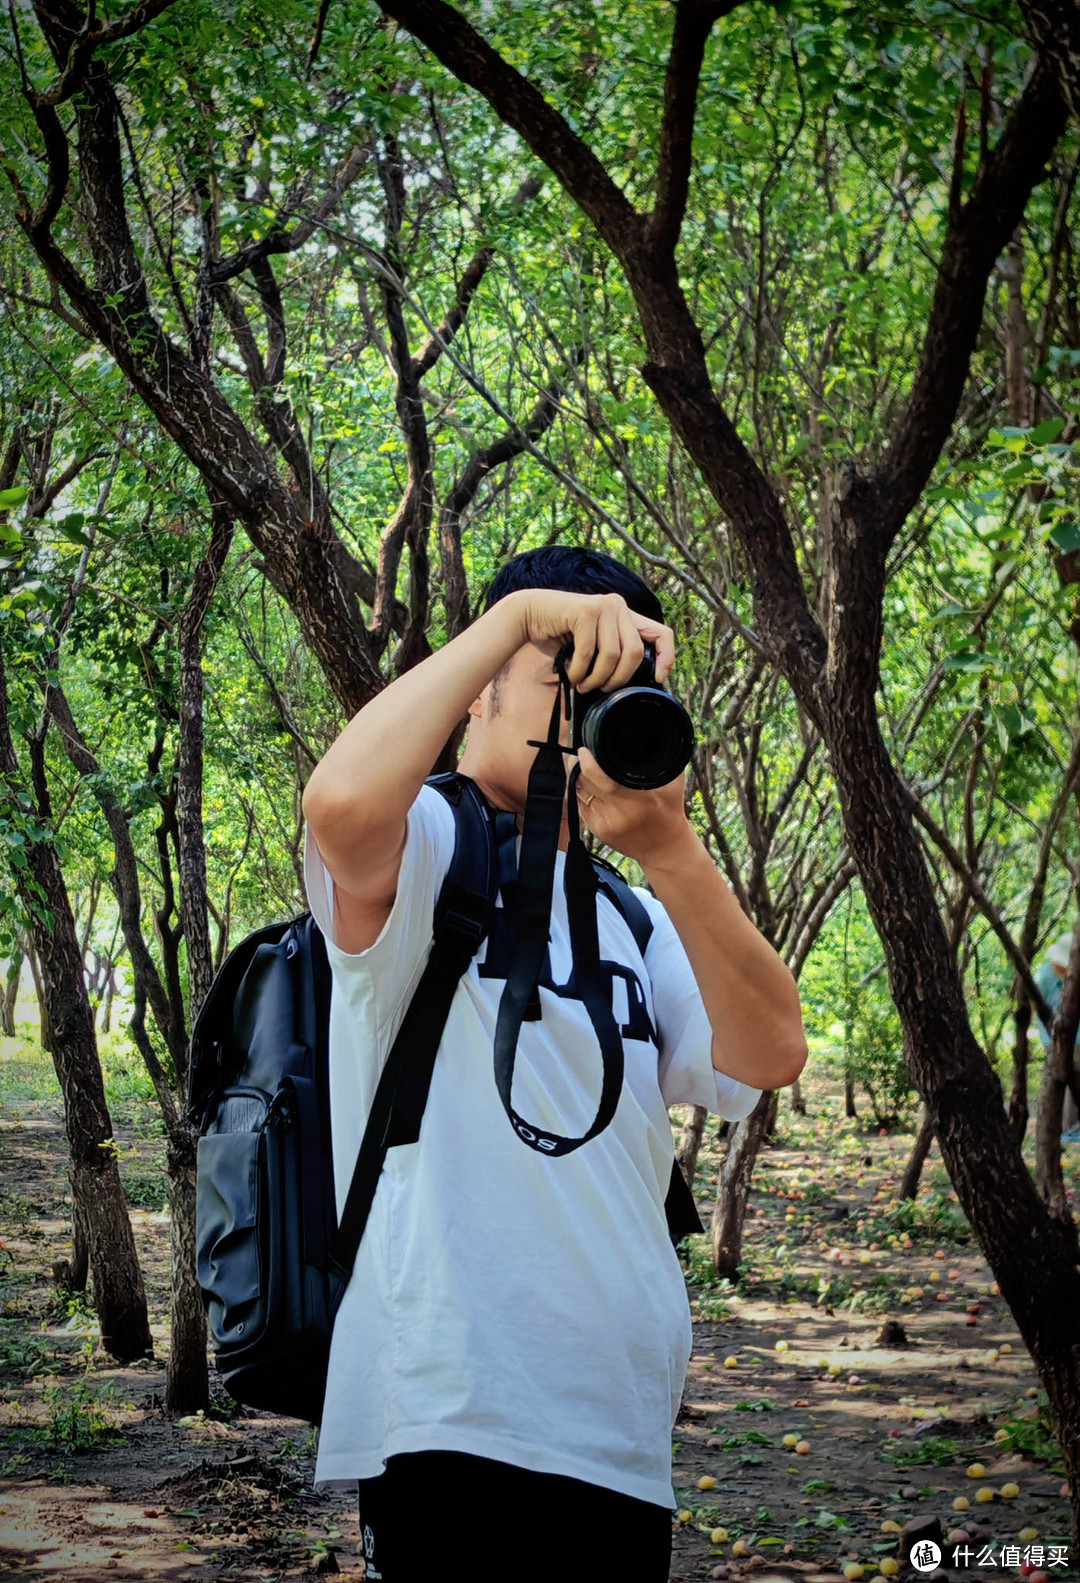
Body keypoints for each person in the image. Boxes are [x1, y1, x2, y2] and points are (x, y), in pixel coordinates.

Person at [301, 546, 808, 1582]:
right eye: (563, 681)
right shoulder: (430, 848)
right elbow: (343, 807)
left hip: (618, 1424)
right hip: (451, 1406)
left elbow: (770, 1051)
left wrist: (670, 848)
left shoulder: (633, 911)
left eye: (618, 692)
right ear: (477, 698)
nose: (586, 718)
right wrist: (522, 614)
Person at [1033, 931, 1080, 1143]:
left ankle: (1072, 1127)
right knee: (1065, 1078)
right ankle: (1068, 1128)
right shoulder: (1043, 976)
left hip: (1077, 1037)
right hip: (1057, 1037)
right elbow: (1033, 1005)